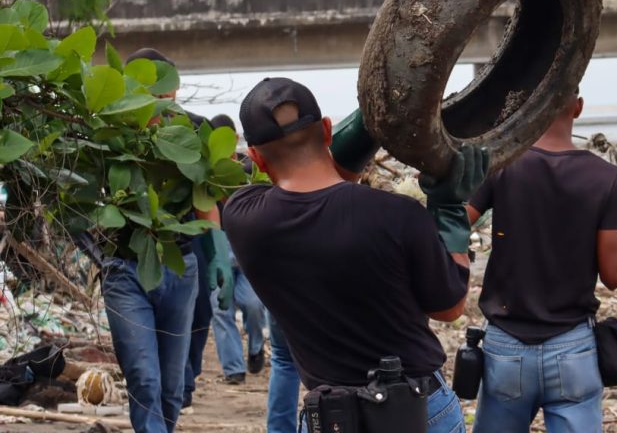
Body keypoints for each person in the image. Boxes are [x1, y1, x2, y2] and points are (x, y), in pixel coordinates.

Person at [223, 77, 488, 433]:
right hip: (418, 410)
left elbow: (323, 193)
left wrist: (374, 116)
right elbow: (449, 307)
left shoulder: (243, 218)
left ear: (255, 155)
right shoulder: (399, 215)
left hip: (332, 417)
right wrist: (450, 212)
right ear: (327, 130)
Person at [466, 89, 617, 433]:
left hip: (505, 348)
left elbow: (453, 225)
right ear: (578, 107)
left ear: (529, 109)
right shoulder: (606, 178)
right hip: (572, 349)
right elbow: (615, 271)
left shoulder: (502, 165)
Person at [101, 48, 232, 433]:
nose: (160, 98)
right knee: (145, 379)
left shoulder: (193, 132)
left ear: (175, 91)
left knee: (173, 389)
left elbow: (204, 198)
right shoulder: (109, 133)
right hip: (125, 269)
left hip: (181, 268)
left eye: (166, 90)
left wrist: (219, 254)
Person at [206, 114, 267, 384]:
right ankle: (233, 370)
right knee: (221, 312)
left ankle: (255, 349)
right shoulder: (205, 172)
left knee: (253, 305)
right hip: (219, 248)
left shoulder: (247, 166)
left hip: (246, 249)